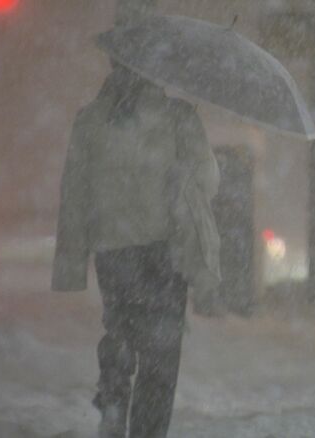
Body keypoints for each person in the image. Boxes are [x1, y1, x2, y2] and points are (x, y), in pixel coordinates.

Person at [51, 64, 220, 438]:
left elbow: (74, 193)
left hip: (112, 249)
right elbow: (207, 180)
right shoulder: (178, 116)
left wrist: (71, 261)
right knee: (161, 353)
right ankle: (148, 431)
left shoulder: (91, 120)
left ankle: (114, 395)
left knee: (121, 327)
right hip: (165, 249)